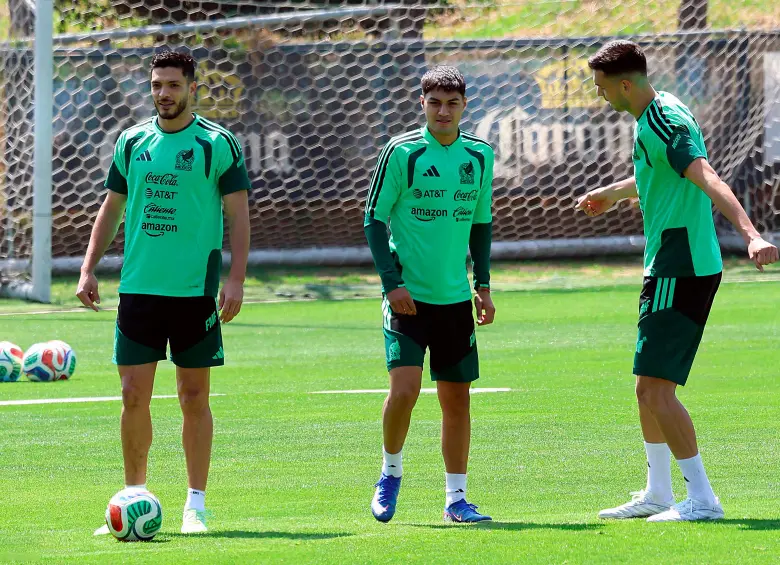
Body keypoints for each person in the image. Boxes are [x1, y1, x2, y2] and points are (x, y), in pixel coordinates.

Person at [578, 40, 778, 522]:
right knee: (646, 387)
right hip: (667, 265)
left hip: (680, 267)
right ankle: (658, 493)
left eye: (603, 88)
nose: (600, 96)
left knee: (655, 390)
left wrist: (751, 235)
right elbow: (657, 173)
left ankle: (703, 499)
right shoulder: (657, 114)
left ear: (625, 84)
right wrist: (613, 193)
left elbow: (706, 176)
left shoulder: (665, 120)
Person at [77, 50, 251, 534]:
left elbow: (238, 216)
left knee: (193, 397)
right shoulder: (132, 142)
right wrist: (89, 269)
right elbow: (111, 210)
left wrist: (235, 278)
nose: (164, 93)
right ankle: (134, 496)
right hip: (138, 290)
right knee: (133, 396)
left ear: (192, 88)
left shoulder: (218, 144)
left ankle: (195, 504)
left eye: (173, 85)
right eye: (156, 84)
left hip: (194, 293)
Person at [364, 65, 496, 523]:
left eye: (452, 103)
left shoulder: (479, 156)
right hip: (408, 300)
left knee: (457, 400)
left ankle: (457, 499)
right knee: (405, 390)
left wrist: (483, 286)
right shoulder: (401, 153)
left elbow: (481, 225)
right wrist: (391, 285)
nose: (443, 111)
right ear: (422, 104)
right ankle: (390, 471)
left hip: (455, 299)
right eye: (435, 103)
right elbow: (373, 220)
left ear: (464, 106)